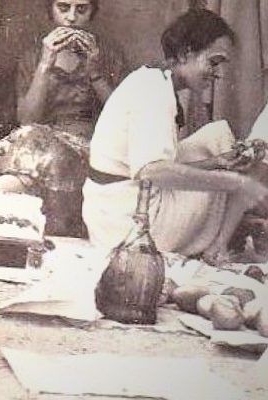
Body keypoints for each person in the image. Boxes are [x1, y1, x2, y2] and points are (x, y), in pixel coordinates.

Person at [82, 8, 268, 265]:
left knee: (218, 136)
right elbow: (151, 171)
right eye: (213, 62)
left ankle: (218, 241)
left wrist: (216, 163)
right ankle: (216, 247)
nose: (217, 73)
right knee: (224, 168)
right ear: (184, 54)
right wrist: (233, 182)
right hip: (127, 225)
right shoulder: (154, 92)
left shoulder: (153, 79)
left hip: (114, 209)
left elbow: (149, 168)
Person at [0, 0, 125, 237]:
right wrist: (45, 63)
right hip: (36, 147)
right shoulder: (34, 55)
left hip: (82, 150)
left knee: (29, 147)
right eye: (63, 8)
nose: (71, 18)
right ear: (50, 11)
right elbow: (27, 119)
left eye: (81, 9)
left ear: (92, 12)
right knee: (23, 141)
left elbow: (122, 117)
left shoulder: (108, 56)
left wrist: (95, 72)